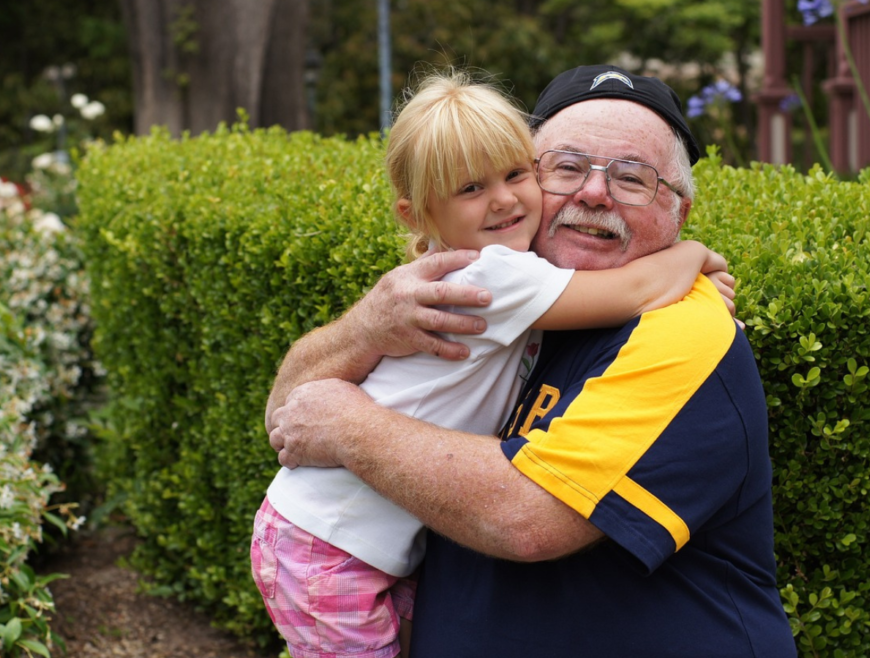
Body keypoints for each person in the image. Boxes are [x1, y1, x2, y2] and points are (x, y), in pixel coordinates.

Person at [267, 65, 797, 657]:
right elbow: (286, 414)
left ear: (680, 213)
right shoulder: (484, 292)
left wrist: (347, 427)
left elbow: (528, 520)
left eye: (632, 178)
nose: (593, 193)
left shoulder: (680, 329)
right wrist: (364, 328)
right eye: (565, 168)